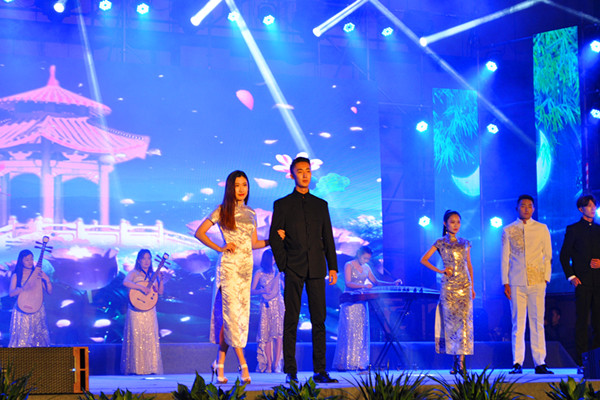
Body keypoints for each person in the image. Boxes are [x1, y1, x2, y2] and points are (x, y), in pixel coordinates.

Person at [269, 156, 339, 384]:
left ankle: (320, 371)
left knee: (319, 320)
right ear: (292, 175)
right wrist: (284, 265)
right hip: (294, 269)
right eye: (300, 171)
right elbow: (274, 237)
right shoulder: (282, 204)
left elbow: (328, 237)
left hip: (317, 268)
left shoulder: (321, 205)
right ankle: (291, 371)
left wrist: (333, 267)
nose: (305, 174)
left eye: (308, 170)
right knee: (291, 319)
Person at [195, 170, 269, 385]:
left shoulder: (252, 213)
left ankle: (219, 363)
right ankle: (243, 364)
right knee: (231, 317)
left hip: (246, 271)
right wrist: (220, 247)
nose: (241, 189)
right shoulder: (222, 210)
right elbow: (199, 233)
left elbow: (253, 243)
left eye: (244, 184)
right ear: (230, 188)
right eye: (237, 185)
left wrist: (272, 240)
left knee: (237, 318)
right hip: (228, 268)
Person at [501, 194, 553, 374]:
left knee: (538, 322)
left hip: (537, 281)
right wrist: (505, 282)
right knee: (518, 323)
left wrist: (546, 278)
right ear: (517, 208)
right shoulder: (508, 230)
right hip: (516, 281)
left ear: (533, 209)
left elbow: (548, 255)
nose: (526, 208)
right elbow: (504, 258)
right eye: (523, 205)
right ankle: (517, 362)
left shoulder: (541, 228)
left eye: (529, 206)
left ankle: (540, 362)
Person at [420, 210, 475, 374]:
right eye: (452, 222)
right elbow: (423, 259)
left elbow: (469, 265)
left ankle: (461, 363)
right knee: (451, 324)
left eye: (458, 222)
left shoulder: (465, 242)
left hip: (464, 286)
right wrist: (441, 270)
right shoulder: (440, 242)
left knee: (464, 323)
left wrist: (472, 286)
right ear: (445, 224)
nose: (456, 225)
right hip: (449, 287)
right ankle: (454, 361)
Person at [332, 246, 401, 371]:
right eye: (364, 258)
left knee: (360, 332)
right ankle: (344, 362)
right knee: (349, 330)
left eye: (368, 259)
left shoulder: (366, 267)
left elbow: (376, 281)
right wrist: (363, 286)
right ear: (359, 255)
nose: (366, 260)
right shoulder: (349, 265)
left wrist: (392, 283)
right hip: (350, 301)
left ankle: (359, 362)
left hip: (361, 302)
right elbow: (348, 283)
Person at [559, 194, 600, 368]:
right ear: (580, 209)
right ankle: (582, 362)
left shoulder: (598, 229)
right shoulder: (573, 229)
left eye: (594, 205)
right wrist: (572, 276)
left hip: (598, 283)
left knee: (598, 323)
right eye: (588, 205)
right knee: (582, 322)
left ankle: (597, 362)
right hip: (582, 282)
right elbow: (564, 255)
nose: (592, 208)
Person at [121, 249, 167, 375]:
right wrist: (141, 287)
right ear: (139, 260)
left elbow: (160, 292)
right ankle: (136, 368)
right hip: (135, 309)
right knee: (136, 337)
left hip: (149, 309)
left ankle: (151, 368)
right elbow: (125, 282)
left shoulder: (153, 274)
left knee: (149, 337)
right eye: (143, 258)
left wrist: (161, 280)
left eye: (148, 258)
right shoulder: (134, 273)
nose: (146, 261)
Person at [8, 249, 52, 347]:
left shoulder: (38, 274)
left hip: (37, 308)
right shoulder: (17, 275)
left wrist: (46, 279)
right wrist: (23, 288)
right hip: (21, 308)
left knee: (38, 335)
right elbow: (11, 293)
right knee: (22, 336)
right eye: (27, 260)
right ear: (21, 261)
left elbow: (49, 292)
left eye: (31, 259)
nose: (30, 262)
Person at [251, 249, 285, 373]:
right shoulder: (259, 273)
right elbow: (251, 291)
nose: (274, 260)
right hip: (265, 306)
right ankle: (269, 364)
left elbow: (284, 287)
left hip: (278, 305)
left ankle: (277, 364)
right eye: (273, 258)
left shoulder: (278, 272)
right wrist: (262, 291)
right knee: (267, 336)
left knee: (279, 335)